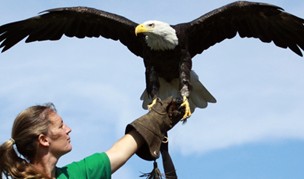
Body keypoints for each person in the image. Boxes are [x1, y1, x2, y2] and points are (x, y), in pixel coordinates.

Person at [0, 97, 184, 179]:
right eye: (61, 125)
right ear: (44, 140)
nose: (69, 129)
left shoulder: (78, 173)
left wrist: (158, 118)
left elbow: (118, 153)